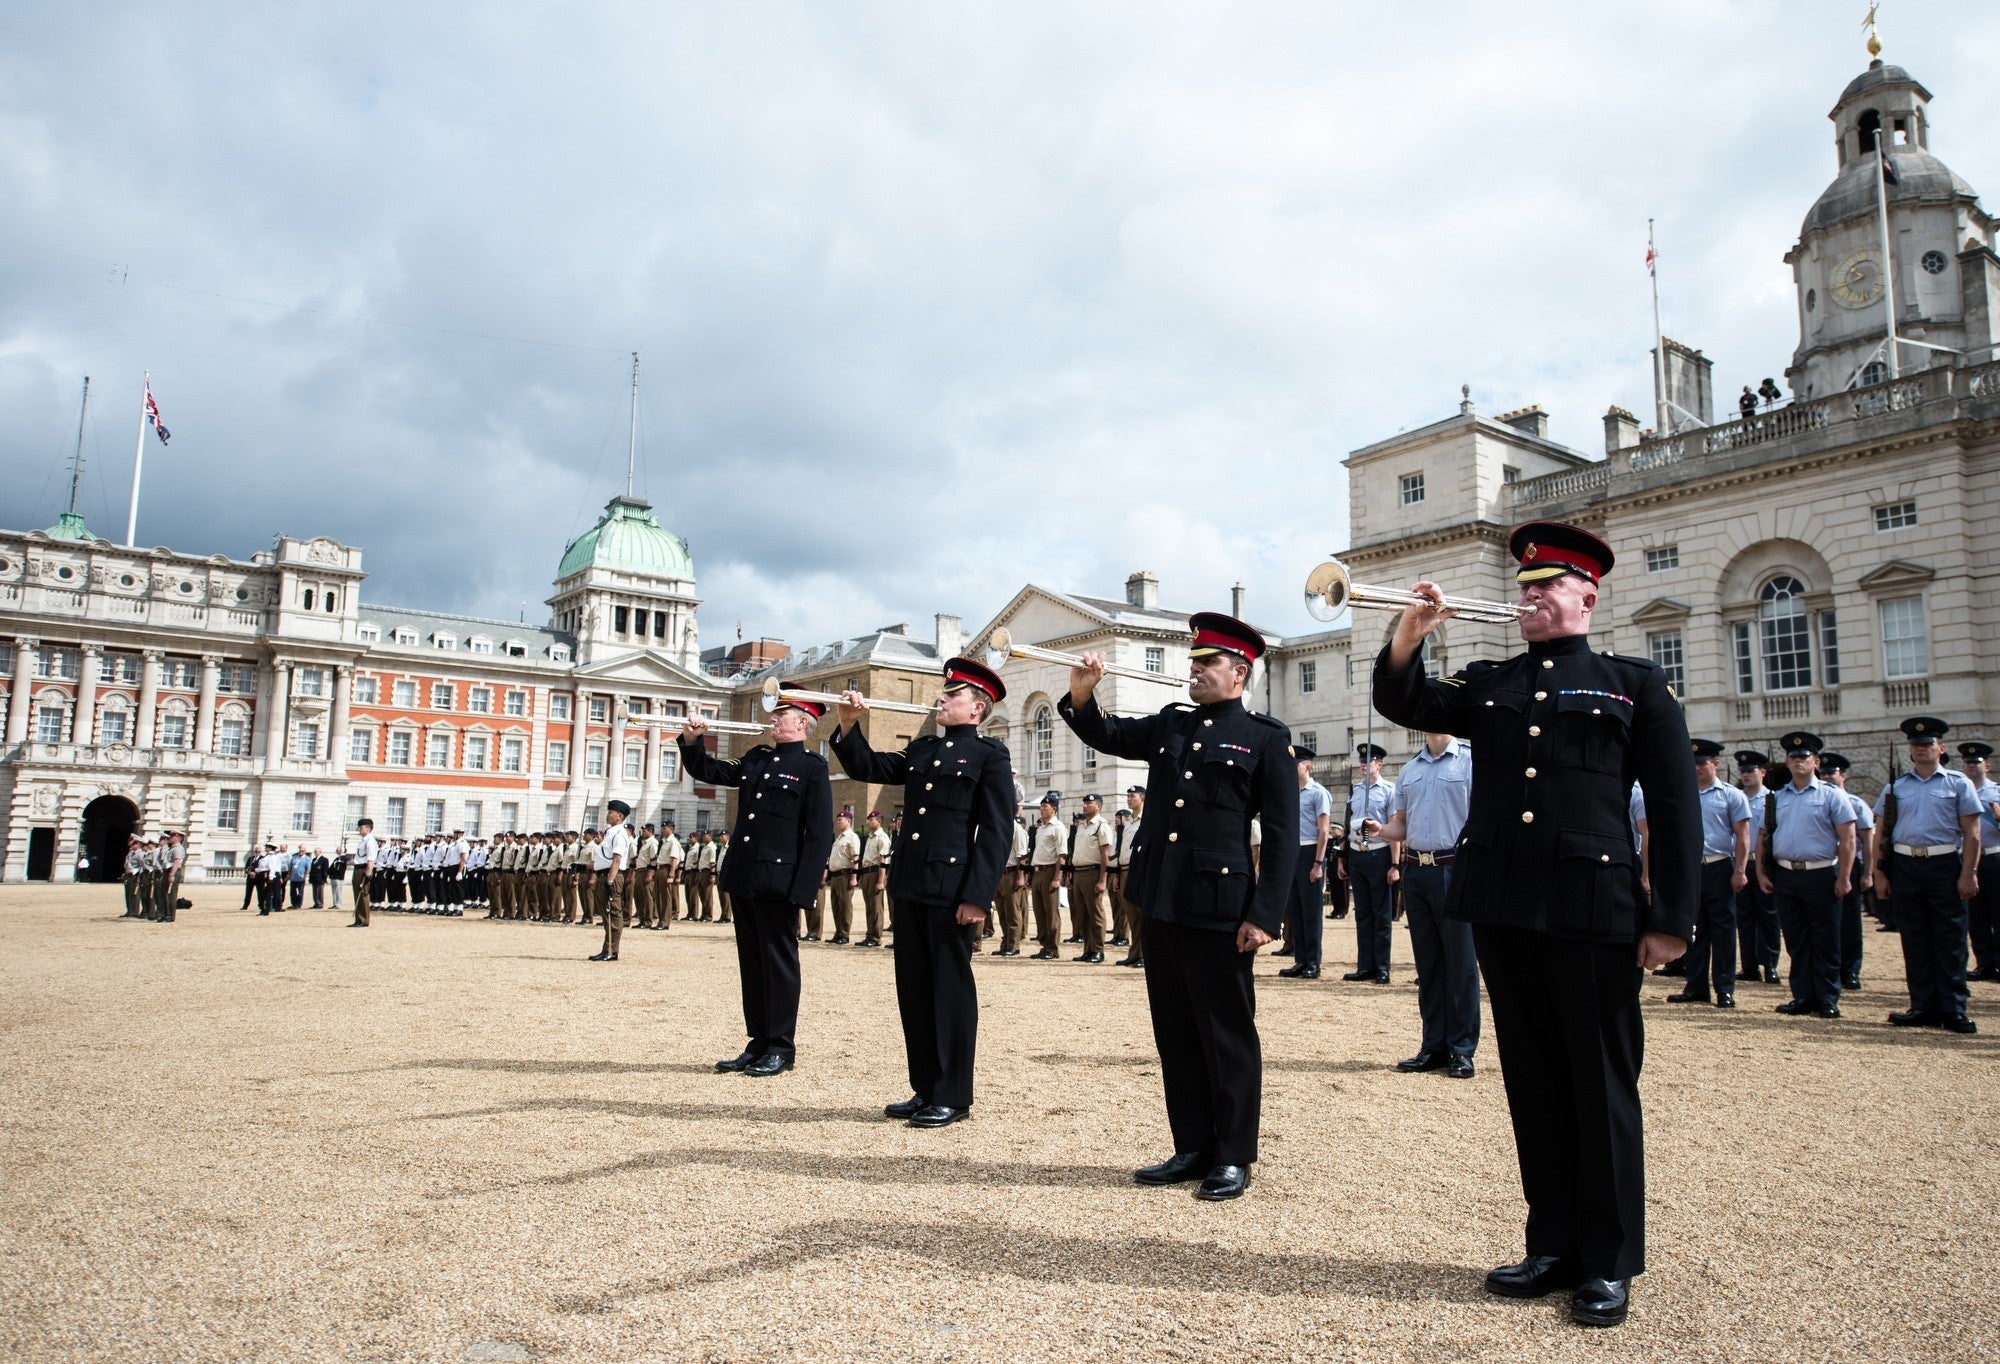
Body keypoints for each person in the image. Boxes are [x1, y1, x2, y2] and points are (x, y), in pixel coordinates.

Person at [1372, 519, 1697, 1329]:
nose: (1529, 597)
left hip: (1593, 909)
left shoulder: (1633, 684)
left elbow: (1674, 806)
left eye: (1546, 586)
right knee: (1535, 1083)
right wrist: (1409, 635)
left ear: (1587, 595)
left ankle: (1610, 1259)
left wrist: (1672, 919)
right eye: (1523, 586)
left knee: (1600, 1082)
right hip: (1506, 904)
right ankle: (1552, 1244)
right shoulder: (1493, 681)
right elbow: (1403, 698)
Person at [1059, 611, 1297, 1203]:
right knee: (1176, 1030)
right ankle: (1192, 1146)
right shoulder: (1171, 723)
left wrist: (1265, 914)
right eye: (1192, 661)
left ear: (1239, 673)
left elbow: (1285, 834)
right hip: (1160, 897)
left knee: (1226, 1032)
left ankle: (1233, 1155)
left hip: (1218, 903)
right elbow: (1108, 735)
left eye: (1206, 662)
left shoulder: (1266, 738)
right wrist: (1082, 695)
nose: (1194, 670)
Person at [832, 657, 1015, 1127]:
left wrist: (977, 895)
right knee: (913, 990)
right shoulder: (922, 750)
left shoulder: (989, 756)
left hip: (951, 890)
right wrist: (849, 727)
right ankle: (926, 1087)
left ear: (977, 708)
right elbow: (870, 765)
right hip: (911, 884)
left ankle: (953, 1095)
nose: (942, 698)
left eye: (953, 695)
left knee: (950, 991)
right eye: (944, 692)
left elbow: (995, 832)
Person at [680, 685, 834, 1077]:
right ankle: (759, 1041)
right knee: (752, 961)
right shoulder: (757, 757)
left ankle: (781, 1046)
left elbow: (818, 835)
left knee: (779, 963)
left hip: (779, 881)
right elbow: (710, 771)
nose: (772, 719)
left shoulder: (812, 768)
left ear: (802, 722)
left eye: (780, 715)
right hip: (746, 875)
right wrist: (693, 741)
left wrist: (803, 891)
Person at [1366, 730, 1479, 1074]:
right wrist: (1381, 830)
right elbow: (1402, 823)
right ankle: (1433, 1046)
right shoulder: (1410, 769)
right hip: (1416, 869)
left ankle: (1461, 1048)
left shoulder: (1472, 761)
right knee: (1428, 965)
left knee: (1460, 964)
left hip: (1454, 867)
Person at [1874, 717, 1983, 1033]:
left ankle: (1953, 1009)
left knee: (1950, 939)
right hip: (1906, 865)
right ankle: (1922, 1005)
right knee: (1915, 938)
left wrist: (1969, 873)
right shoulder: (1895, 787)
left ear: (1941, 747)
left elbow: (1972, 833)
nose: (1921, 749)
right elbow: (1882, 831)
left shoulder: (1957, 783)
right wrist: (1879, 873)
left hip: (1944, 864)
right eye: (1916, 745)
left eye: (1927, 744)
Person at [1758, 732, 1855, 1019]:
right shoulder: (1777, 798)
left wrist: (1845, 876)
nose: (1798, 761)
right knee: (1796, 939)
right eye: (1793, 757)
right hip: (1787, 875)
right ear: (1787, 763)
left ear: (1816, 761)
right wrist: (1762, 871)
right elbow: (1764, 835)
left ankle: (1827, 997)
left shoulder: (1831, 795)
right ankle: (1802, 995)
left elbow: (1847, 839)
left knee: (1825, 939)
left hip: (1822, 873)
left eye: (1804, 757)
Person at [1665, 740, 1751, 1009]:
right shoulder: (1683, 793)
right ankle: (1695, 985)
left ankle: (1724, 989)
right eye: (1693, 764)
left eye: (1702, 763)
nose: (1697, 768)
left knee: (1723, 931)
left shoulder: (1730, 795)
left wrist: (1740, 870)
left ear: (1716, 764)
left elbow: (1743, 836)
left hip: (1719, 866)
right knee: (1694, 931)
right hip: (1691, 868)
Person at [1817, 752, 1874, 989]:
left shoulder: (1856, 804)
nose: (1828, 777)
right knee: (1826, 923)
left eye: (1833, 773)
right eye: (1825, 773)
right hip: (1824, 865)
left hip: (1848, 865)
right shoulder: (1819, 799)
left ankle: (1851, 969)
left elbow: (1867, 841)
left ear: (1844, 776)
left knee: (1850, 921)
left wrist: (1868, 872)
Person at [1344, 745, 1397, 983]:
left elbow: (1394, 827)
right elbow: (1347, 826)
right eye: (1362, 762)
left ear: (1380, 764)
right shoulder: (1354, 790)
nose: (1365, 765)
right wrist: (1343, 859)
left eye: (1370, 761)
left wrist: (1395, 864)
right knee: (1362, 913)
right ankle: (1365, 965)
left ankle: (1382, 967)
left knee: (1381, 914)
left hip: (1378, 853)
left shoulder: (1389, 790)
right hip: (1357, 852)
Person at [1278, 748, 1332, 981]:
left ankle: (1313, 962)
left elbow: (1324, 831)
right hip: (1292, 851)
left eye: (1296, 764)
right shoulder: (1290, 792)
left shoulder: (1318, 793)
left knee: (1311, 912)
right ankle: (1300, 959)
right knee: (1295, 910)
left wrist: (1318, 863)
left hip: (1310, 850)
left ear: (1307, 766)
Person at [1734, 752, 1781, 982]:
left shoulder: (1773, 799)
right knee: (1744, 917)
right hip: (1742, 863)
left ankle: (1770, 964)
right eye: (1742, 771)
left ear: (1762, 772)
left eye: (1750, 771)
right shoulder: (1736, 797)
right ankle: (1749, 966)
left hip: (1763, 863)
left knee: (1769, 916)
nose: (1746, 775)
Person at [1962, 742, 2000, 982]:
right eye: (1968, 762)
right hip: (1968, 860)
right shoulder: (1961, 791)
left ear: (1987, 765)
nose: (1972, 766)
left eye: (1976, 762)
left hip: (1994, 857)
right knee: (1976, 917)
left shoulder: (1997, 792)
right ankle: (1984, 963)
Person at [1067, 794, 1114, 963]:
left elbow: (1105, 854)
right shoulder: (1082, 827)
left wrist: (1102, 880)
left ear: (1099, 807)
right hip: (1079, 872)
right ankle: (1088, 949)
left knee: (1095, 913)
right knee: (1082, 914)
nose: (1085, 805)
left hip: (1092, 873)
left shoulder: (1101, 826)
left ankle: (1098, 950)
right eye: (1084, 802)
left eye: (1089, 803)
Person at [588, 804, 634, 962]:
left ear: (620, 817)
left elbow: (616, 859)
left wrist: (609, 881)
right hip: (604, 875)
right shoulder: (610, 833)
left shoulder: (619, 834)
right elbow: (604, 859)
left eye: (611, 812)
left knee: (613, 913)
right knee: (605, 913)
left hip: (612, 876)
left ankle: (612, 951)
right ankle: (606, 948)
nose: (608, 815)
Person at [1028, 794, 1065, 960]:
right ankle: (1044, 945)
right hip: (1037, 871)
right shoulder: (1041, 828)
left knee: (1051, 913)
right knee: (1039, 911)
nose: (1042, 809)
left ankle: (1053, 947)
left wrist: (1057, 878)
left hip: (1050, 870)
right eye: (1041, 806)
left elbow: (1061, 855)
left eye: (1045, 806)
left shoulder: (1058, 827)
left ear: (1054, 809)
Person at [1115, 784, 1148, 967]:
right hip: (1125, 869)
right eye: (1128, 796)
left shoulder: (1147, 820)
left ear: (1142, 798)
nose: (1129, 799)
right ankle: (1134, 952)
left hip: (1140, 869)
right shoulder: (1127, 824)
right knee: (1131, 915)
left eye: (1133, 796)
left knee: (1142, 913)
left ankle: (1144, 953)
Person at [823, 811, 861, 945]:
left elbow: (855, 858)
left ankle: (844, 934)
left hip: (845, 875)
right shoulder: (839, 838)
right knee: (836, 905)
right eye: (838, 819)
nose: (839, 822)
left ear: (848, 822)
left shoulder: (852, 837)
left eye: (841, 820)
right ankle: (838, 932)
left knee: (845, 905)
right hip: (835, 876)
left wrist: (854, 877)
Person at [859, 811, 892, 948]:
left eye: (871, 819)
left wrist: (880, 881)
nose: (868, 822)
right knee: (869, 906)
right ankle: (869, 934)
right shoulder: (870, 837)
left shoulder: (882, 838)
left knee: (876, 906)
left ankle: (876, 937)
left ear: (879, 821)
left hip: (875, 873)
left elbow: (883, 861)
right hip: (867, 872)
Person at [350, 819, 378, 927]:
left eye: (361, 827)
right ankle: (358, 919)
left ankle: (364, 920)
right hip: (358, 868)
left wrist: (368, 874)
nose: (359, 829)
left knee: (363, 894)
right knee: (357, 893)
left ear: (368, 828)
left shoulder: (370, 841)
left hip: (363, 869)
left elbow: (370, 860)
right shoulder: (363, 841)